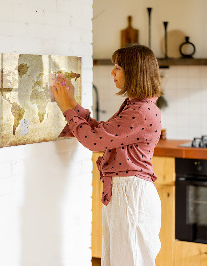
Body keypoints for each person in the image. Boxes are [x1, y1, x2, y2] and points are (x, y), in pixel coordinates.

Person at [51, 44, 163, 266]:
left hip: (131, 195)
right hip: (126, 193)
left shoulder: (140, 111)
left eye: (118, 67)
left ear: (134, 72)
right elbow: (102, 133)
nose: (112, 72)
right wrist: (72, 103)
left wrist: (66, 108)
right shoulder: (136, 106)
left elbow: (94, 141)